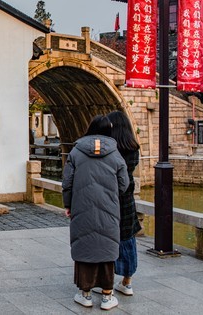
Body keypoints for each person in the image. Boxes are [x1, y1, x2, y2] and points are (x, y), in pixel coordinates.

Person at [62, 115, 128, 311]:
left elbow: (67, 182)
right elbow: (124, 184)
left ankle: (86, 294)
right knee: (107, 246)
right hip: (109, 208)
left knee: (84, 245)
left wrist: (68, 204)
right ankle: (107, 296)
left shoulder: (76, 152)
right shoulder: (115, 154)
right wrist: (111, 195)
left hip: (81, 207)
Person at [107, 110, 141, 297]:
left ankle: (106, 281)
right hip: (127, 199)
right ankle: (127, 282)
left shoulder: (109, 150)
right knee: (127, 238)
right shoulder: (133, 148)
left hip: (109, 198)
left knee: (107, 239)